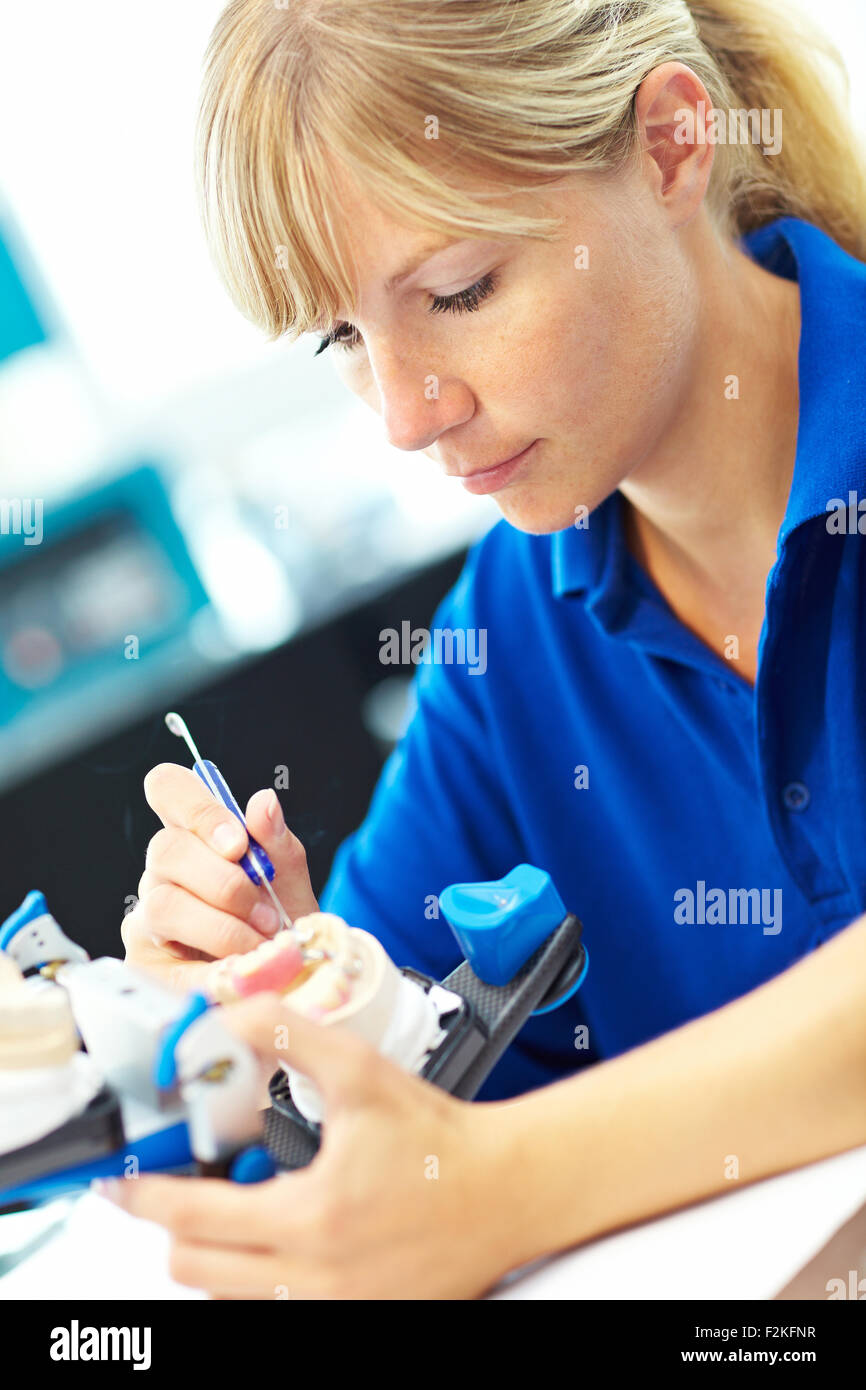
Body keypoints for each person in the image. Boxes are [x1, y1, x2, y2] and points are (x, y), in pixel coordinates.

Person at [112, 0, 866, 1299]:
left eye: (458, 292)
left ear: (675, 144)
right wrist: (255, 1000)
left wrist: (499, 1183)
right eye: (345, 338)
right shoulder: (503, 639)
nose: (403, 415)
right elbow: (355, 1131)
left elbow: (467, 1181)